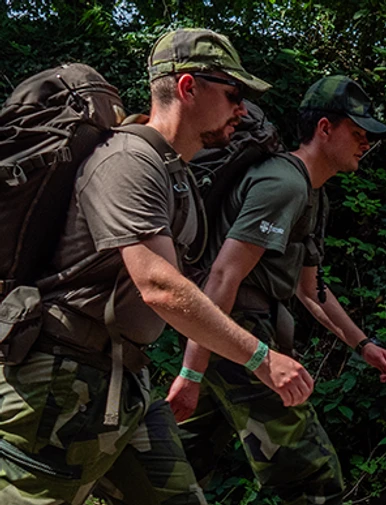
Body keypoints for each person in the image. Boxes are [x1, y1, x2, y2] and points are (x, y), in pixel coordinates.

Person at [0, 28, 314, 505]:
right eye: (233, 94)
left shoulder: (174, 173)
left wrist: (188, 375)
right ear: (187, 87)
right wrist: (261, 358)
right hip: (60, 386)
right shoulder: (128, 160)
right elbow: (160, 287)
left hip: (123, 381)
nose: (243, 110)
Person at [164, 75, 386, 505]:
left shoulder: (311, 194)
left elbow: (311, 291)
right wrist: (192, 371)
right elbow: (222, 277)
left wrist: (362, 344)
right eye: (357, 133)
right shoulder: (284, 184)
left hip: (226, 336)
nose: (365, 144)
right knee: (312, 476)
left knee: (177, 467)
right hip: (233, 331)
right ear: (324, 129)